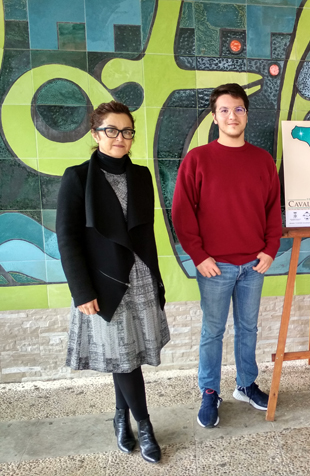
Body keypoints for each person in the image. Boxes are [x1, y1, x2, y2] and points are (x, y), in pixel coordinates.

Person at [57, 101, 170, 463]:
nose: (120, 137)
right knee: (123, 358)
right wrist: (82, 290)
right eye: (111, 130)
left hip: (139, 277)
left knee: (127, 355)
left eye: (127, 131)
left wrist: (157, 281)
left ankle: (121, 417)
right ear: (95, 134)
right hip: (104, 283)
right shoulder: (77, 178)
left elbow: (146, 235)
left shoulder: (141, 176)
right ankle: (145, 425)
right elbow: (67, 238)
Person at [172, 83, 282, 428]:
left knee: (248, 328)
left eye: (238, 109)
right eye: (224, 110)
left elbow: (272, 209)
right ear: (214, 117)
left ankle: (246, 384)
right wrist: (198, 255)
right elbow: (181, 214)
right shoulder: (197, 160)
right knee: (213, 331)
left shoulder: (262, 160)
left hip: (254, 265)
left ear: (246, 115)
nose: (232, 116)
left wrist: (270, 249)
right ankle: (209, 392)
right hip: (214, 267)